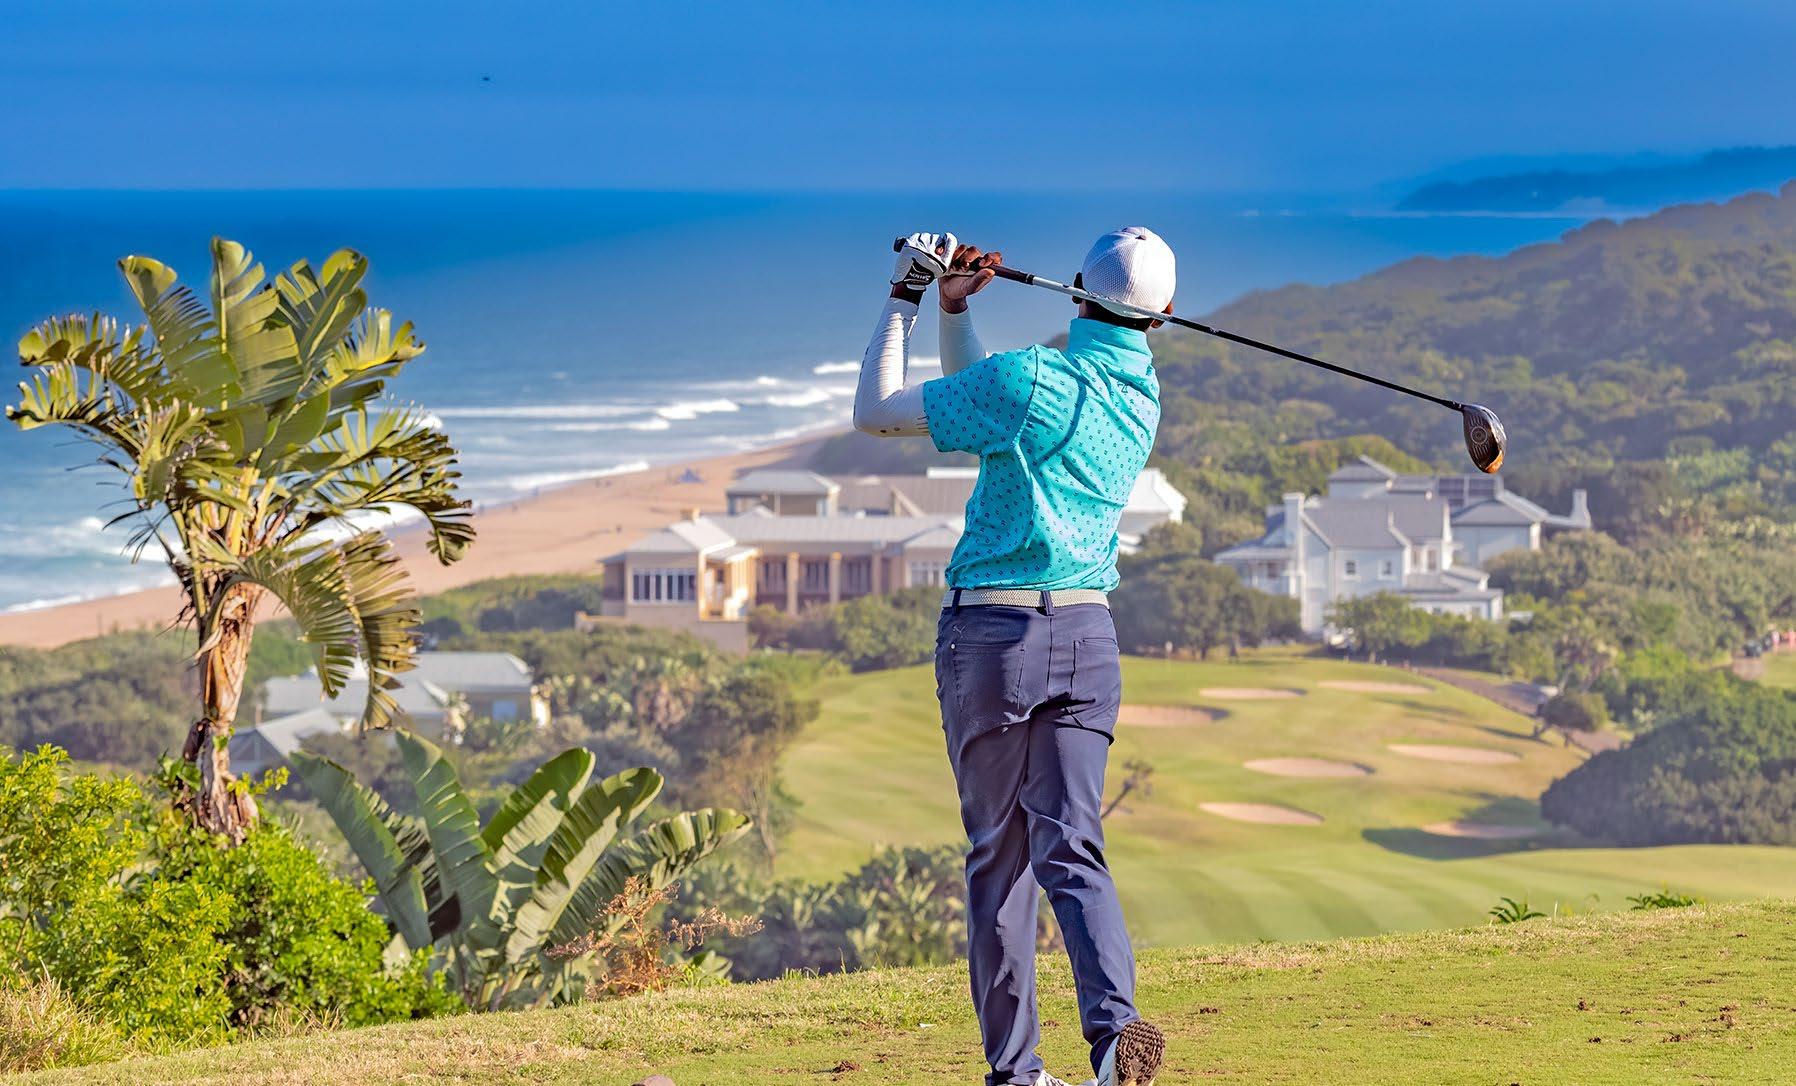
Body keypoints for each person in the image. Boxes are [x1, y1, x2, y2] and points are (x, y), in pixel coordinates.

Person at [852, 229, 1174, 1086]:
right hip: (1088, 639)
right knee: (1073, 845)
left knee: (1000, 857)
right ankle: (1114, 1038)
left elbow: (877, 412)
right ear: (1165, 316)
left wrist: (908, 293)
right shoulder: (1141, 397)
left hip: (995, 637)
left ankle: (1018, 1074)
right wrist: (958, 312)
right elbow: (989, 412)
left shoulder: (1029, 378)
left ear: (1075, 289)